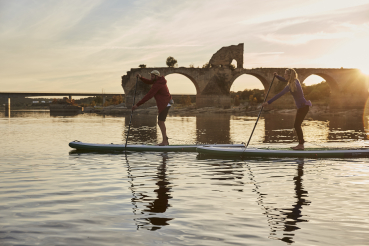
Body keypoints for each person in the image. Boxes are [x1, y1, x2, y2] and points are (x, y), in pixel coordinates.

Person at [262, 68, 312, 150]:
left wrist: (268, 102)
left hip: (303, 107)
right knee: (297, 125)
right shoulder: (295, 81)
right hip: (303, 107)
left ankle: (301, 145)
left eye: (285, 74)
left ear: (289, 75)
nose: (284, 75)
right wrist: (277, 76)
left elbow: (279, 94)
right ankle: (301, 144)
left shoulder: (291, 85)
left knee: (297, 125)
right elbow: (284, 80)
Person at [132, 70, 173, 146]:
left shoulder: (157, 84)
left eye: (152, 76)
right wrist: (141, 77)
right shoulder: (159, 81)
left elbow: (149, 95)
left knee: (161, 122)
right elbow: (149, 82)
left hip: (165, 104)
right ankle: (165, 140)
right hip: (164, 103)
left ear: (157, 76)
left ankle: (165, 142)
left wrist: (137, 105)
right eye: (151, 76)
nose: (151, 77)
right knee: (160, 122)